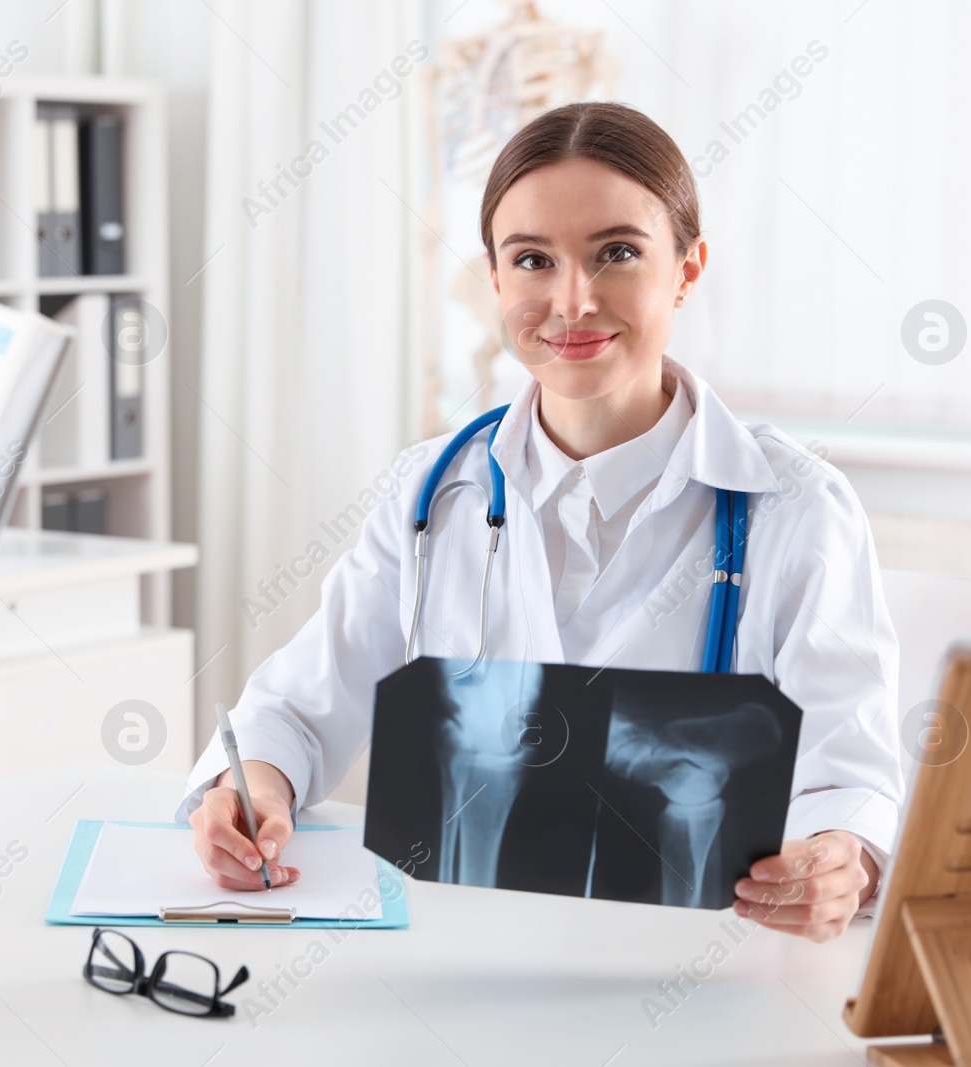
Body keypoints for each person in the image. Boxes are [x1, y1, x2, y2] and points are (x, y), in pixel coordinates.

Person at [180, 101, 903, 944]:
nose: (572, 301)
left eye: (618, 253)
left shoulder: (795, 507)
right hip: (463, 959)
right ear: (494, 280)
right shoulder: (431, 492)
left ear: (688, 270)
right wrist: (254, 788)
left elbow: (849, 776)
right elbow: (298, 709)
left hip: (697, 965)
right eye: (532, 260)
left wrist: (842, 855)